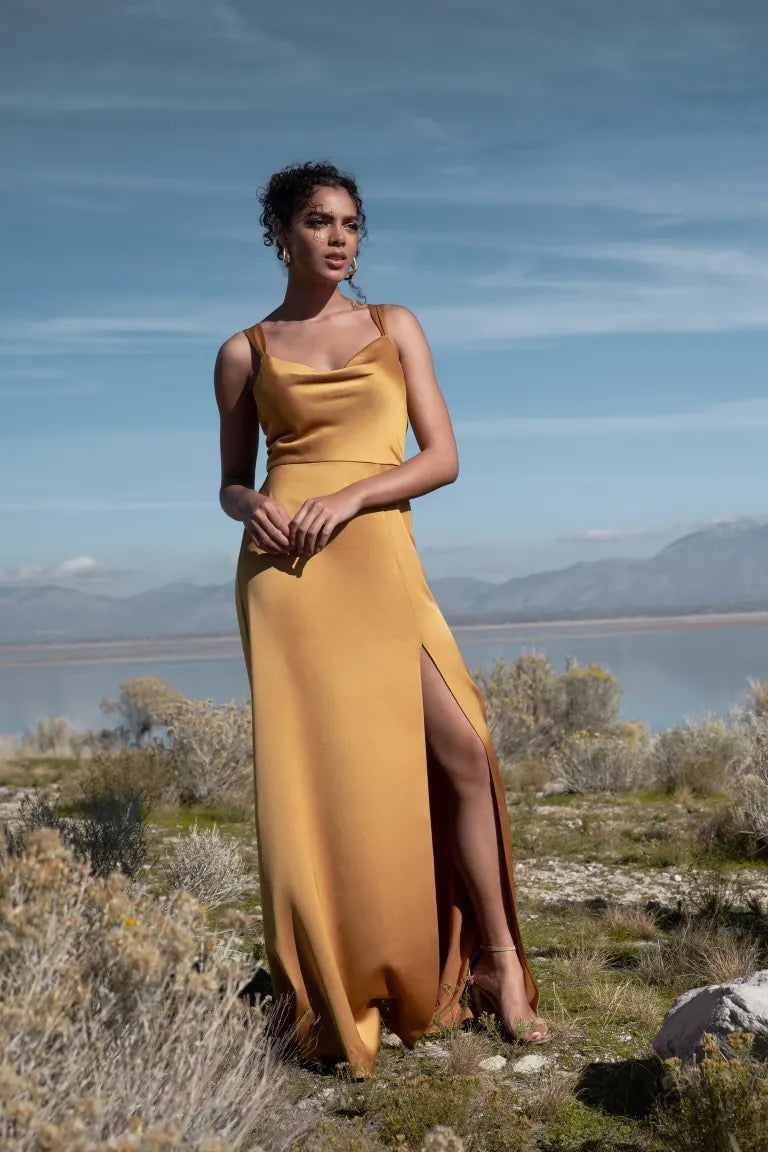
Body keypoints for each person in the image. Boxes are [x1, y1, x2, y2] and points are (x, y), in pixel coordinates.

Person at [214, 160, 549, 1078]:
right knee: (324, 784)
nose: (338, 238)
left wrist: (356, 495)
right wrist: (251, 507)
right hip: (287, 575)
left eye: (352, 224)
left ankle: (496, 963)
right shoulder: (244, 350)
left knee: (462, 747)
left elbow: (441, 458)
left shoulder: (395, 326)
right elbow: (231, 479)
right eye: (318, 221)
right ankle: (338, 977)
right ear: (279, 232)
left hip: (378, 556)